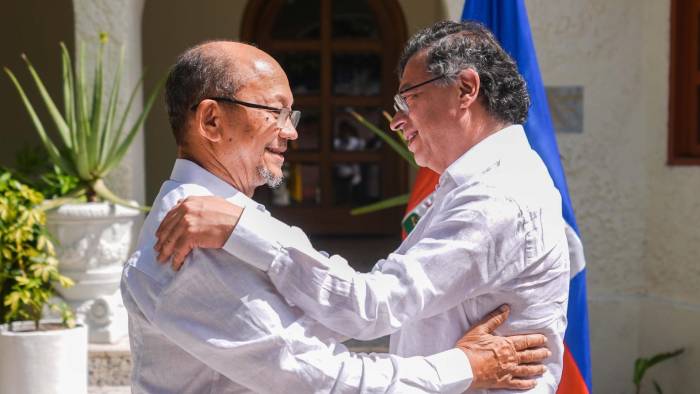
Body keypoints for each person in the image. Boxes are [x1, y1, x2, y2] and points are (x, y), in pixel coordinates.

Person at [154, 21, 571, 393]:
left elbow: (373, 307)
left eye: (407, 99)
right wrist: (462, 365)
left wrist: (243, 227)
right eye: (274, 112)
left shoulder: (495, 195)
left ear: (465, 89)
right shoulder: (483, 184)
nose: (396, 120)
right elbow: (315, 349)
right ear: (209, 121)